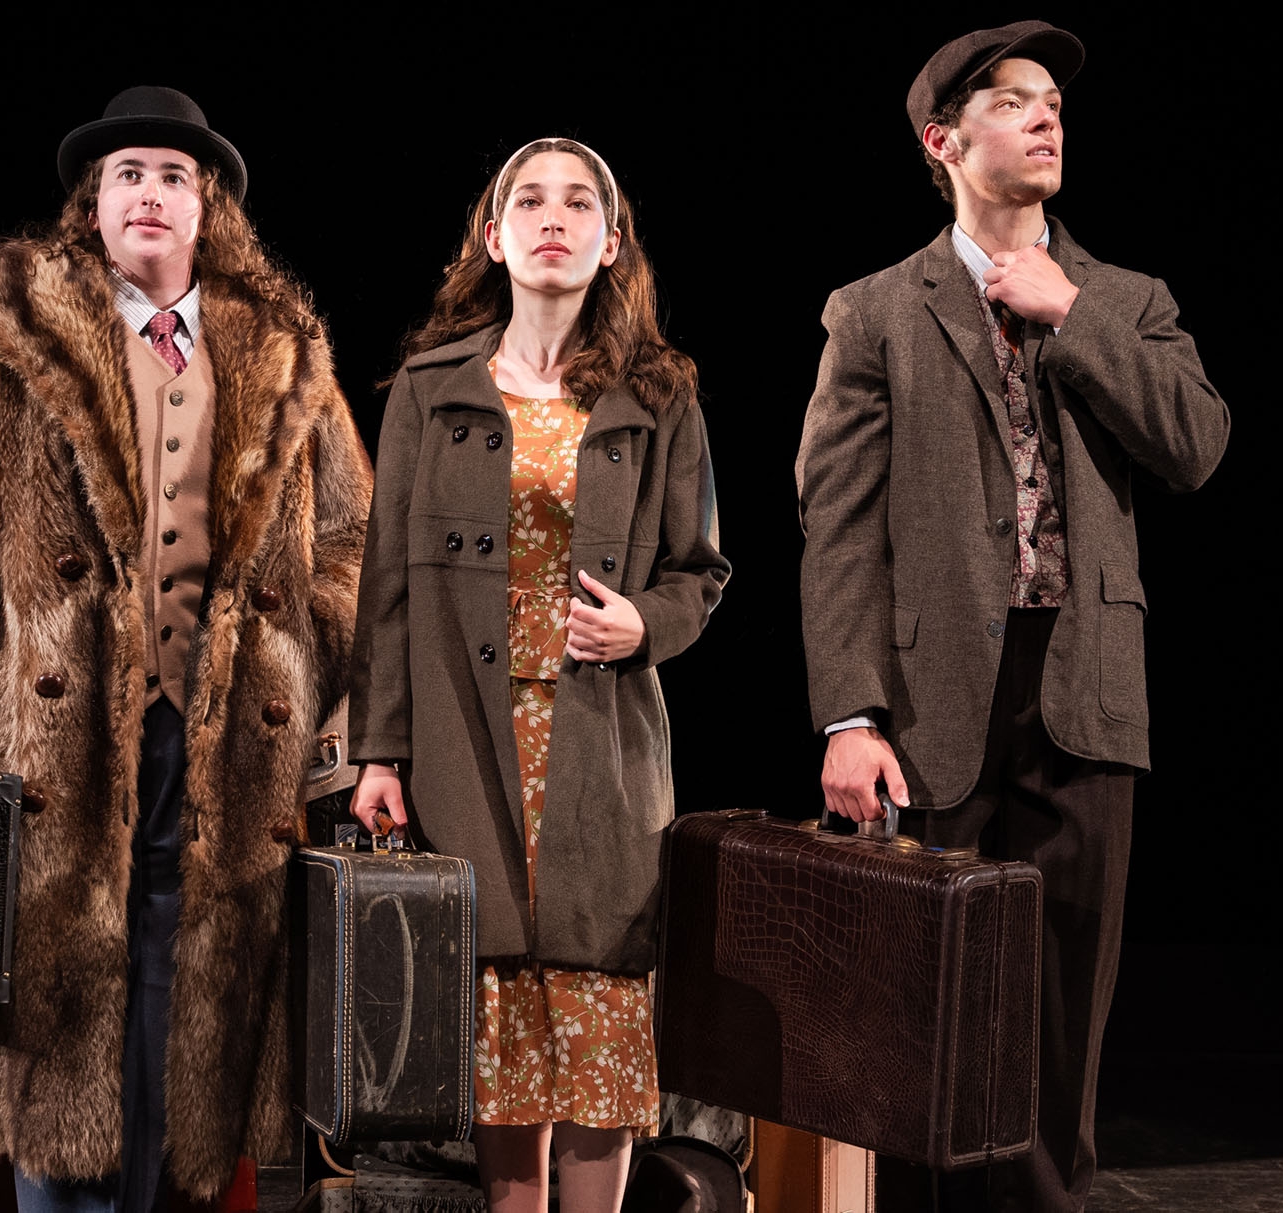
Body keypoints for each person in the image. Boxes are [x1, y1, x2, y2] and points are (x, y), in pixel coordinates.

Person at [0, 86, 371, 1212]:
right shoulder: (9, 333)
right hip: (49, 744)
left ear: (207, 207)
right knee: (56, 1009)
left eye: (175, 176)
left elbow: (349, 540)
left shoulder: (283, 353)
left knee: (181, 1022)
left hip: (219, 742)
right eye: (128, 173)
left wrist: (301, 652)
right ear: (92, 204)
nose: (150, 193)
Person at [796, 22, 1231, 1212]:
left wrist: (1072, 316)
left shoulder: (1125, 299)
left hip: (1084, 682)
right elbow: (836, 526)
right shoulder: (875, 311)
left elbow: (1197, 446)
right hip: (936, 694)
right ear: (944, 140)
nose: (1046, 116)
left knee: (1059, 1010)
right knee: (921, 1008)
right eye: (1011, 101)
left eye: (1053, 101)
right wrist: (850, 711)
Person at [348, 138, 730, 1213]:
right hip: (471, 744)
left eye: (579, 203)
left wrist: (641, 625)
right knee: (502, 1041)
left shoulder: (663, 398)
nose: (552, 216)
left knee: (601, 1039)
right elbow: (387, 586)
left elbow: (700, 573)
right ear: (492, 234)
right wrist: (380, 749)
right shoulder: (430, 390)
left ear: (612, 244)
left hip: (600, 750)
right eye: (529, 199)